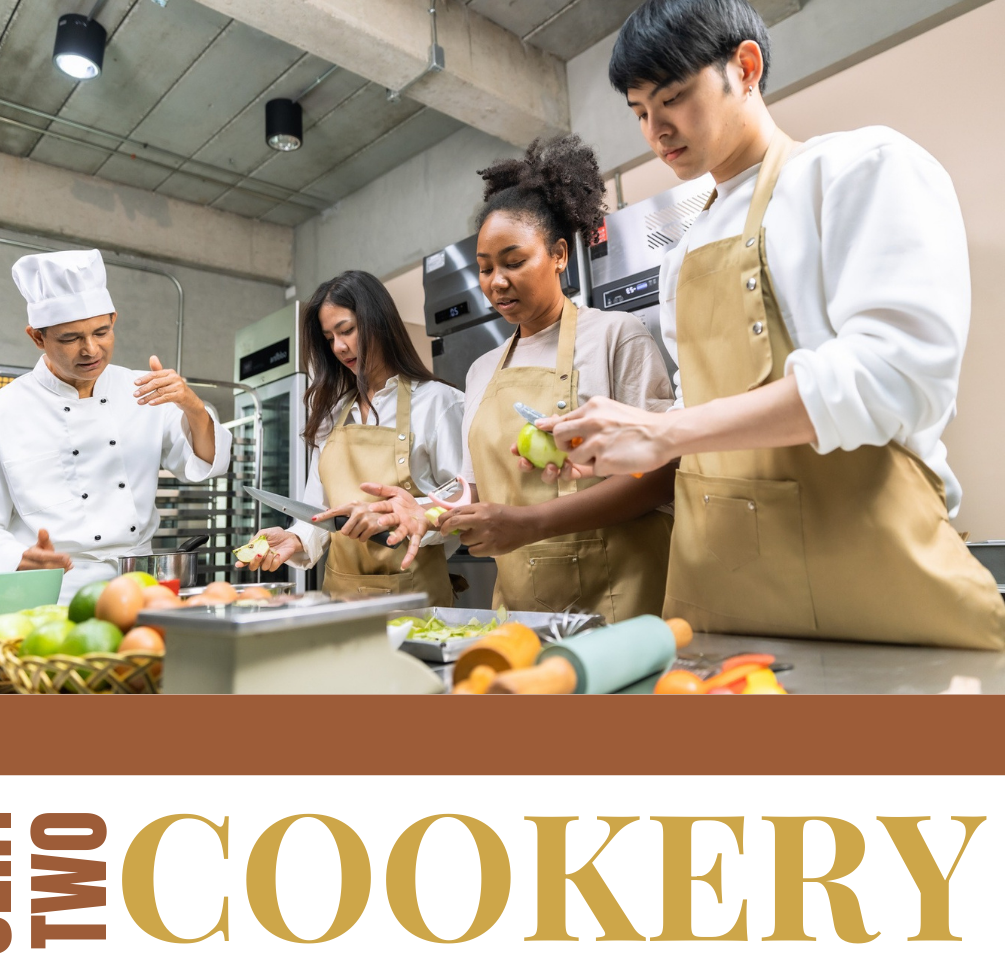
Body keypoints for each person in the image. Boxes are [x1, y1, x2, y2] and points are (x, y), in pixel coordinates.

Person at [541, 0, 1004, 648]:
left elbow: (893, 375)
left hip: (876, 579)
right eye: (641, 113)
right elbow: (699, 415)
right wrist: (618, 444)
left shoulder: (856, 170)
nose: (657, 131)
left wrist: (664, 430)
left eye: (673, 98)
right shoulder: (680, 260)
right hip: (731, 597)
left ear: (746, 67)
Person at [364, 135, 676, 624]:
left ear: (558, 254)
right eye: (485, 269)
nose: (496, 282)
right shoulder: (481, 370)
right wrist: (426, 512)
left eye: (513, 262)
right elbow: (471, 486)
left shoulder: (617, 336)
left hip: (620, 597)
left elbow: (660, 475)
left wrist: (530, 523)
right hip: (521, 606)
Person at [0, 249, 231, 604]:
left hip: (138, 588)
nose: (91, 349)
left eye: (101, 332)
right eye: (71, 338)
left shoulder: (143, 390)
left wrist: (193, 407)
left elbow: (202, 464)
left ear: (114, 320)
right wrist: (14, 557)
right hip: (49, 592)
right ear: (37, 337)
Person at [236, 270, 463, 606]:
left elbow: (462, 502)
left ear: (379, 322)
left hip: (415, 601)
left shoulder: (438, 403)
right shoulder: (330, 414)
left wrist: (411, 516)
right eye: (329, 338)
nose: (339, 347)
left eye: (347, 331)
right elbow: (318, 510)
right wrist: (295, 538)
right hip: (339, 603)